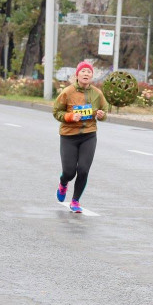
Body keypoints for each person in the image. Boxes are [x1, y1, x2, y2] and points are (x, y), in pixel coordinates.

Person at [52, 61, 108, 213]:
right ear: (77, 75)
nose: (86, 74)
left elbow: (104, 110)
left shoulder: (97, 93)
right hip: (69, 136)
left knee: (83, 170)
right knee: (69, 172)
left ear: (91, 76)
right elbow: (56, 112)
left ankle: (75, 201)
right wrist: (70, 116)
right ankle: (63, 183)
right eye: (83, 71)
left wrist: (101, 115)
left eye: (88, 72)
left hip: (89, 135)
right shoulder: (67, 92)